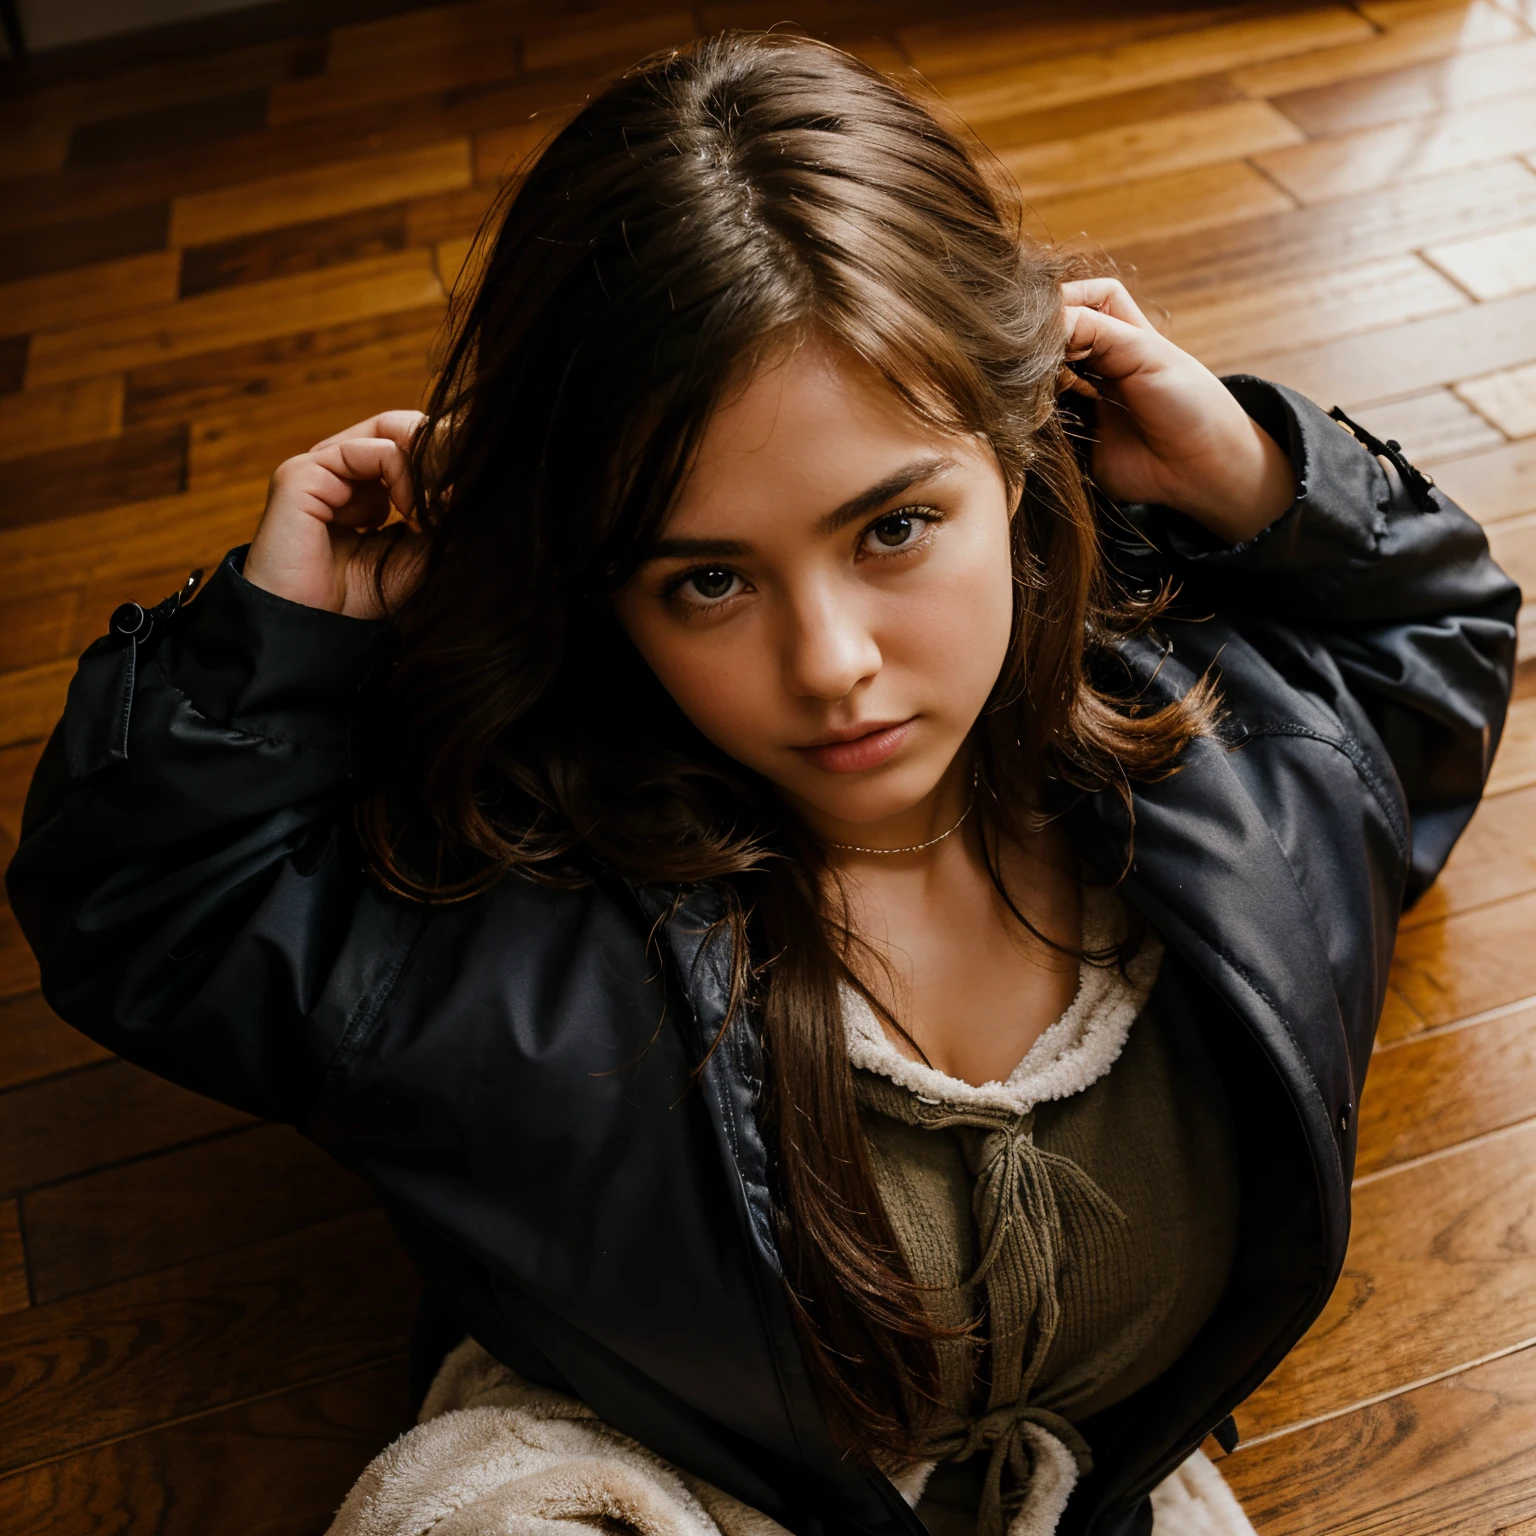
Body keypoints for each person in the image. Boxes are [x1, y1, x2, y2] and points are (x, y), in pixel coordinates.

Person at [7, 31, 1518, 1536]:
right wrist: (272, 644)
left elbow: (1440, 640)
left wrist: (1257, 472)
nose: (833, 663)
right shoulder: (491, 924)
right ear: (604, 587)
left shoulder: (1251, 760)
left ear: (1023, 441)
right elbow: (146, 912)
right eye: (710, 579)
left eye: (893, 529)